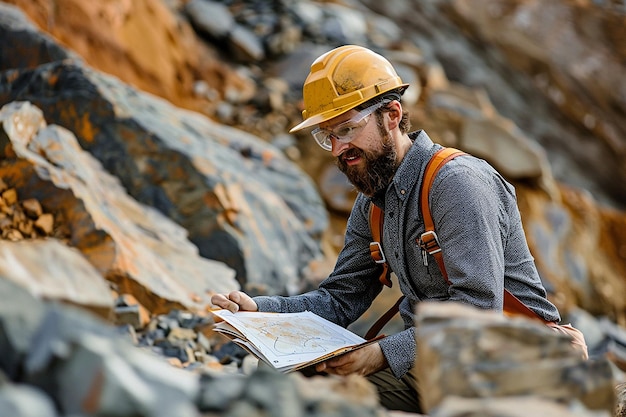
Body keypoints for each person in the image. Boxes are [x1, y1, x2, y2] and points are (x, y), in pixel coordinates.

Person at [211, 44, 562, 413]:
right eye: (327, 136)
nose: (336, 149)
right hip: (437, 365)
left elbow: (479, 310)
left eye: (346, 128)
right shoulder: (372, 202)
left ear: (392, 115)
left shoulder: (457, 184)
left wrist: (381, 353)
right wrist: (263, 311)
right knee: (297, 388)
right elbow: (341, 298)